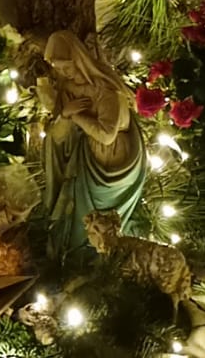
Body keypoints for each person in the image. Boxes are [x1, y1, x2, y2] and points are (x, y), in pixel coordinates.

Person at [39, 29, 147, 257]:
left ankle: (106, 255)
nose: (64, 73)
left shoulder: (105, 89)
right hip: (86, 159)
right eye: (58, 68)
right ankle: (78, 255)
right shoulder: (68, 89)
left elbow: (106, 135)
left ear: (78, 59)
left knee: (109, 222)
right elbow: (60, 132)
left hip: (115, 163)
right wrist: (65, 115)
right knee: (78, 214)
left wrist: (76, 115)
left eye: (67, 67)